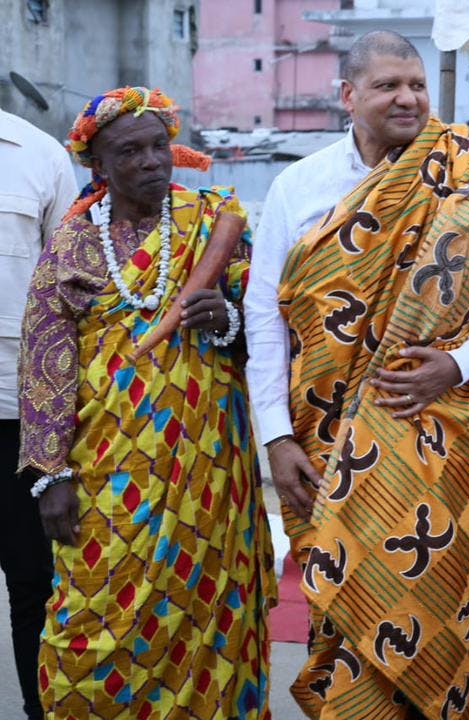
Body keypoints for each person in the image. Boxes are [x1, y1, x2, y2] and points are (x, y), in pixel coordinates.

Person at [244, 31, 469, 719]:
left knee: (435, 595)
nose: (407, 98)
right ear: (349, 96)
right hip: (325, 436)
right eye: (387, 86)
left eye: (416, 85)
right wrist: (277, 437)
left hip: (442, 435)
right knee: (344, 596)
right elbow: (264, 317)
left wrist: (456, 365)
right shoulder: (300, 185)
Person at [18, 86, 276, 719]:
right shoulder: (74, 242)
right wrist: (51, 473)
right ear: (98, 166)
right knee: (91, 610)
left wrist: (227, 320)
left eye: (159, 145)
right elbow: (46, 361)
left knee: (207, 604)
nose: (151, 161)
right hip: (108, 461)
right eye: (129, 152)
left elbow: (270, 328)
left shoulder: (216, 221)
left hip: (209, 460)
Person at [0, 103, 76, 720]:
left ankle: (39, 711)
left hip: (18, 414)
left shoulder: (41, 156)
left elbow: (70, 291)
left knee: (35, 585)